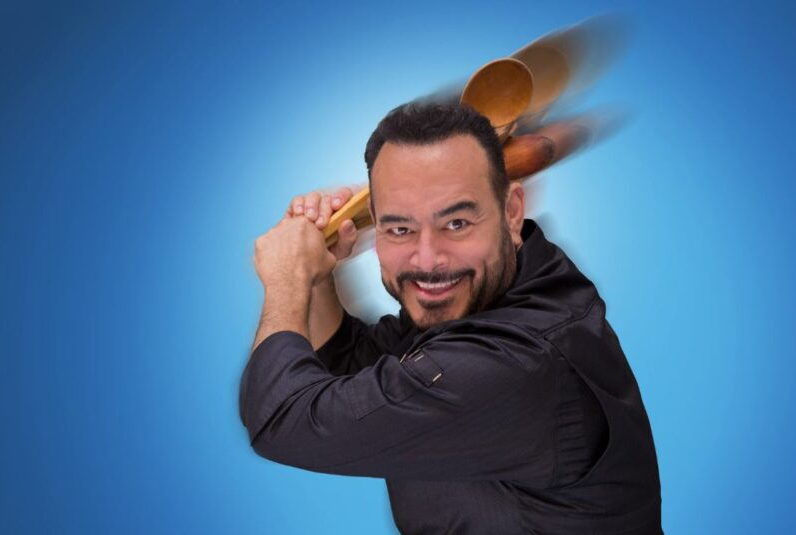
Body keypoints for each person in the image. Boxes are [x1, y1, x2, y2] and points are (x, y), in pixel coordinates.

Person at [241, 102, 663, 534]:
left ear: (512, 212)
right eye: (400, 229)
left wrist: (287, 279)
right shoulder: (497, 289)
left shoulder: (516, 363)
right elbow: (352, 365)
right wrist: (318, 275)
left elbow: (282, 422)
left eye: (457, 223)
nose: (428, 260)